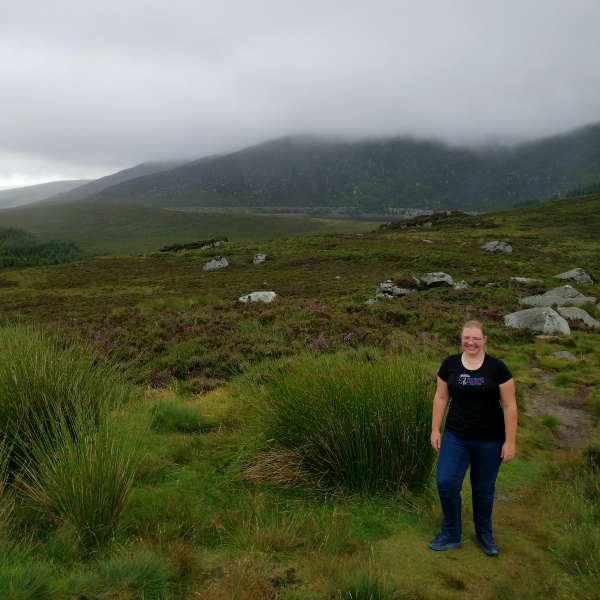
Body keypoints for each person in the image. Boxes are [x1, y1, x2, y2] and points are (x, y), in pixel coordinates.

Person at [429, 320, 517, 556]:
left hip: (490, 440)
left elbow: (509, 406)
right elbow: (440, 398)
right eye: (466, 338)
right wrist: (435, 430)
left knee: (484, 489)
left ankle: (484, 534)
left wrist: (510, 441)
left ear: (485, 339)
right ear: (461, 339)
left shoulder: (498, 368)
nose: (471, 342)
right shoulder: (449, 364)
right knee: (446, 484)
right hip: (456, 436)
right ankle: (450, 533)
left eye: (476, 338)